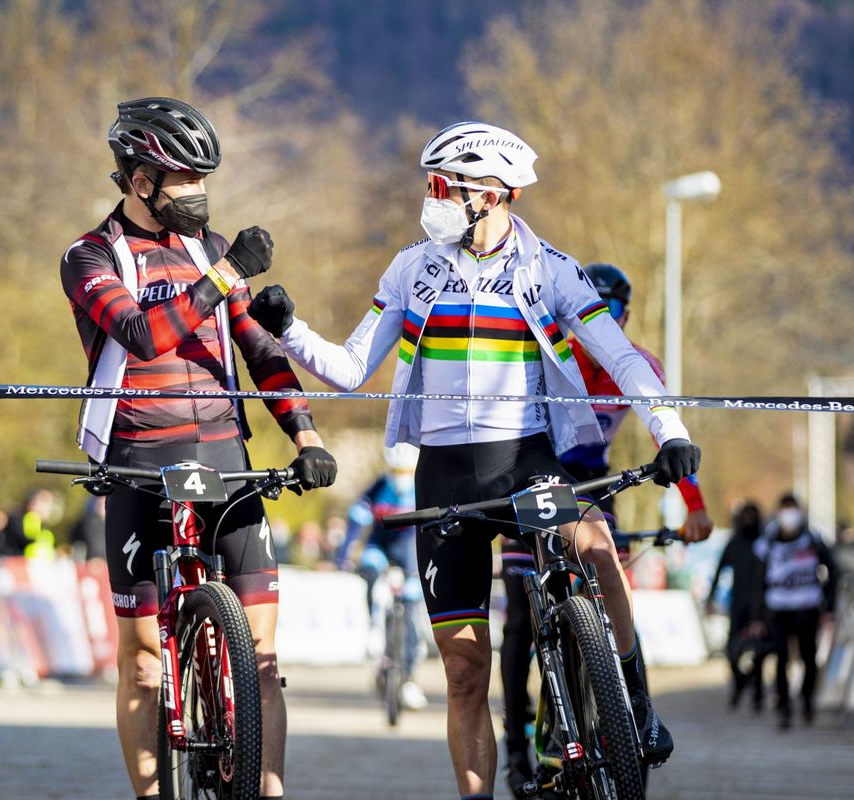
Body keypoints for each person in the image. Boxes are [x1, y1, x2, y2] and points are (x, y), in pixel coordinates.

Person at [248, 121, 699, 798]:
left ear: (489, 193)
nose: (430, 199)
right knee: (464, 675)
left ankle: (635, 704)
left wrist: (670, 430)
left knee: (598, 550)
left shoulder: (549, 268)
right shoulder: (412, 267)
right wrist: (289, 329)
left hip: (525, 460)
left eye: (441, 187)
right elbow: (349, 368)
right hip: (445, 477)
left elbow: (623, 358)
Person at [60, 96, 338, 800]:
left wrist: (305, 435)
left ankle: (268, 791)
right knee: (142, 662)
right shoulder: (90, 255)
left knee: (263, 659)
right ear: (140, 181)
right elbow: (142, 335)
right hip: (137, 460)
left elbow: (261, 351)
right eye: (185, 180)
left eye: (203, 180)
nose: (199, 194)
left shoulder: (210, 250)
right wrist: (224, 275)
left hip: (224, 455)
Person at [497, 263, 714, 795]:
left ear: (626, 316)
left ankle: (632, 703)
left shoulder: (636, 364)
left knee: (608, 575)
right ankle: (517, 742)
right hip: (534, 478)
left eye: (611, 310)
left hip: (594, 484)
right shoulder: (551, 355)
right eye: (589, 309)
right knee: (522, 621)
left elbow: (667, 437)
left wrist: (695, 507)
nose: (600, 321)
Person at [338, 443, 428, 711]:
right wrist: (344, 554)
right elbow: (357, 517)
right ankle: (373, 627)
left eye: (405, 471)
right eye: (396, 470)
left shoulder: (421, 486)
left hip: (410, 550)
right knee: (370, 566)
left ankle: (409, 675)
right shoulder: (380, 485)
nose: (400, 476)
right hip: (379, 546)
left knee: (411, 608)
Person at [754, 494, 840, 729]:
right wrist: (759, 614)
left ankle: (807, 700)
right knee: (781, 657)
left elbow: (833, 570)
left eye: (793, 508)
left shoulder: (813, 539)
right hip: (779, 609)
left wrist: (829, 604)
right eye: (786, 508)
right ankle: (784, 706)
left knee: (809, 657)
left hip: (807, 607)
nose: (790, 514)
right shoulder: (767, 542)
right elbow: (758, 579)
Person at [705, 501, 769, 712]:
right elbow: (719, 569)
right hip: (739, 603)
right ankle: (740, 682)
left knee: (759, 651)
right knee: (732, 651)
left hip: (761, 605)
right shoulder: (734, 543)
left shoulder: (764, 543)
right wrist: (711, 597)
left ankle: (758, 693)